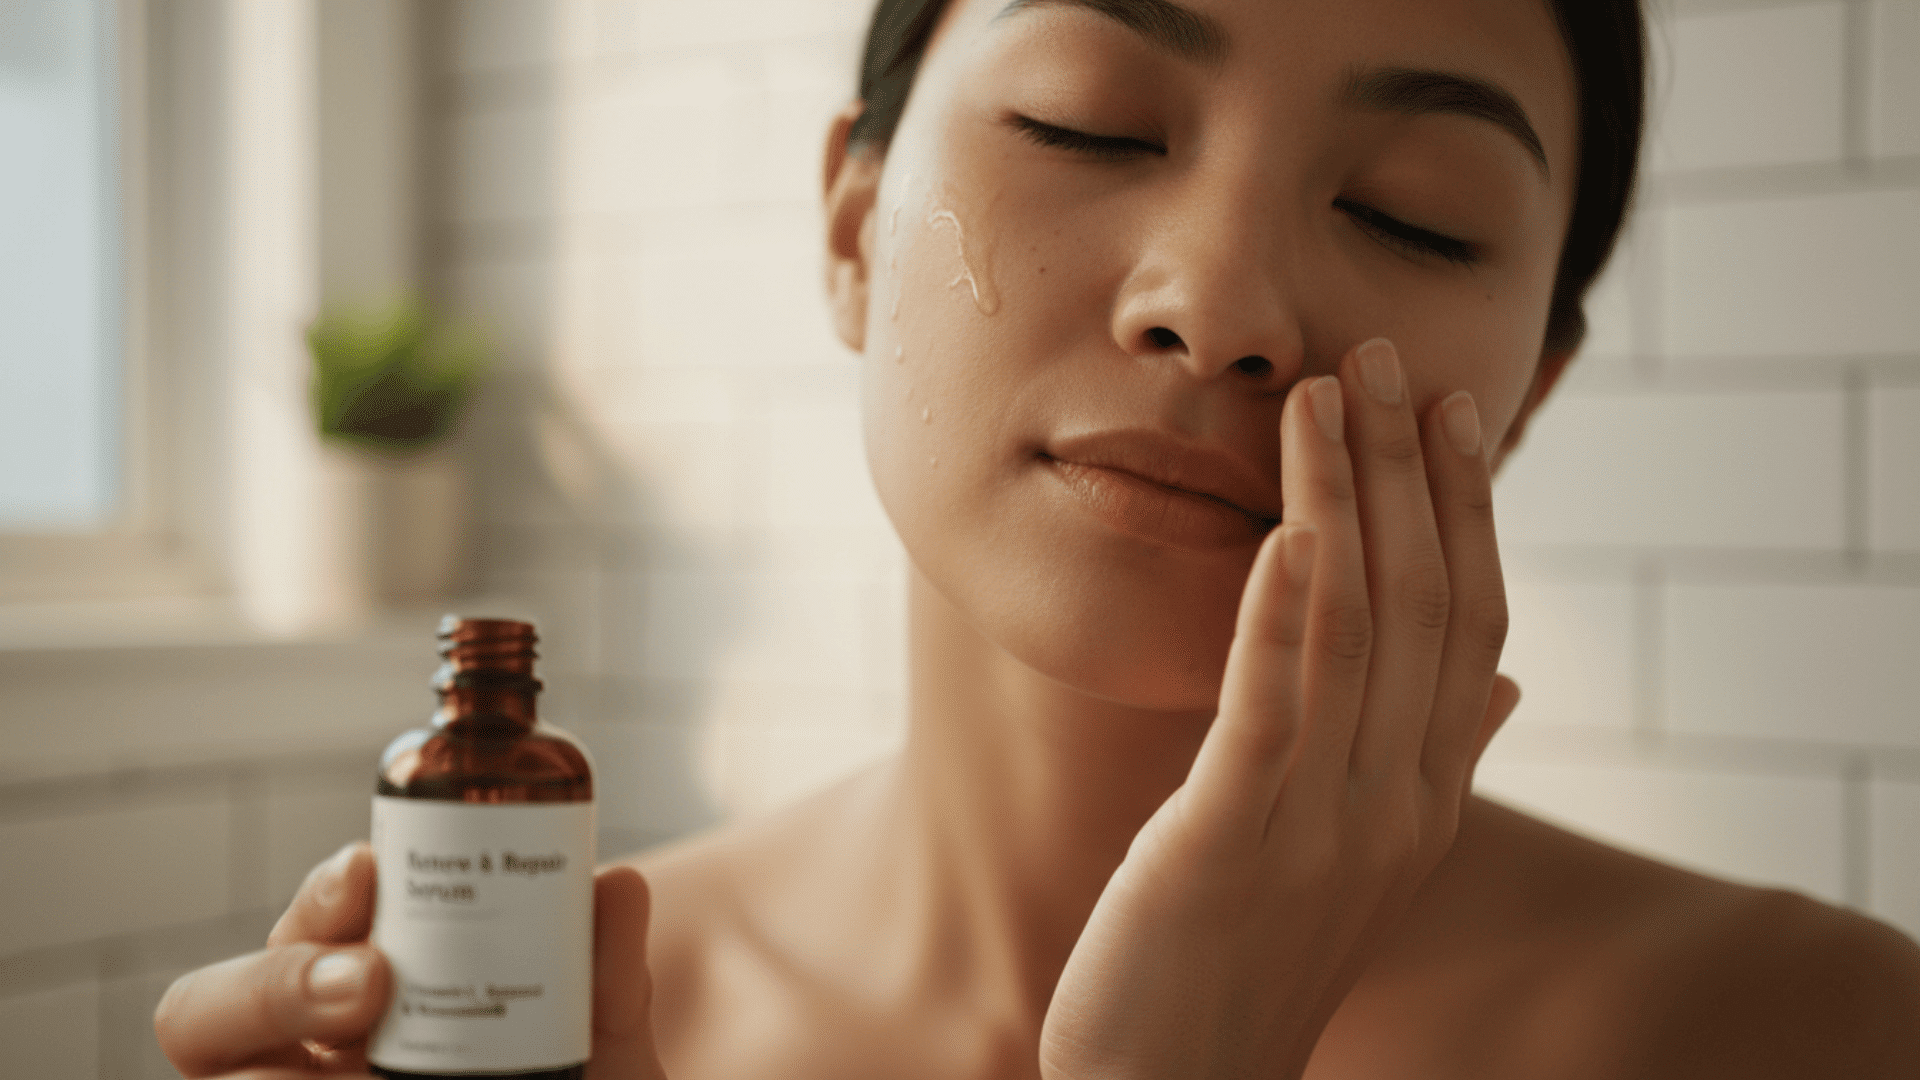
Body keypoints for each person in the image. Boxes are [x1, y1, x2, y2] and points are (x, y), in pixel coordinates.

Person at [154, 0, 1920, 1076]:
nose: (1218, 304)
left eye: (1415, 217)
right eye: (1087, 119)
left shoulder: (1813, 1038)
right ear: (852, 224)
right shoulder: (535, 1013)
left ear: (1526, 392)